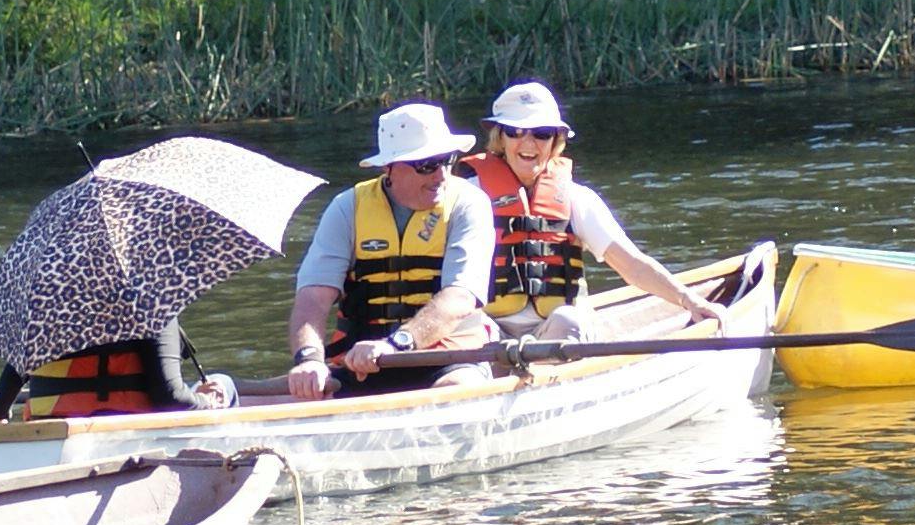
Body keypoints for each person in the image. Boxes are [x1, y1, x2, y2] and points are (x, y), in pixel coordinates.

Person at [467, 81, 725, 342]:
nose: (528, 142)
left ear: (556, 140)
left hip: (557, 334)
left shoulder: (577, 198)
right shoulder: (468, 197)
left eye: (542, 133)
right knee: (466, 322)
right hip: (492, 334)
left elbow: (633, 266)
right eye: (516, 131)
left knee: (569, 320)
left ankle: (546, 375)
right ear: (500, 137)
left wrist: (689, 300)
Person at [285, 102, 497, 399]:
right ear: (389, 168)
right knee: (266, 394)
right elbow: (312, 299)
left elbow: (460, 298)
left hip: (449, 359)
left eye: (447, 160)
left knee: (457, 392)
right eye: (427, 165)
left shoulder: (469, 203)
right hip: (362, 360)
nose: (441, 175)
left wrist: (397, 343)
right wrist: (308, 360)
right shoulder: (347, 208)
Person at [0, 318, 239, 420]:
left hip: (50, 428)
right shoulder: (150, 304)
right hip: (126, 432)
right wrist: (207, 400)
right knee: (223, 382)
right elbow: (169, 399)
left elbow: (14, 371)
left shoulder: (47, 304)